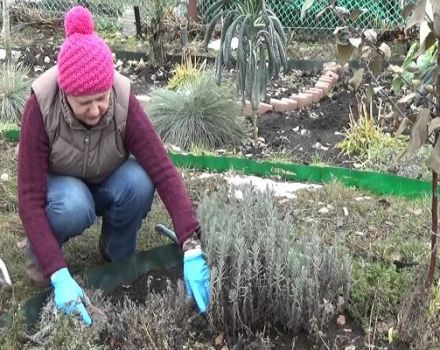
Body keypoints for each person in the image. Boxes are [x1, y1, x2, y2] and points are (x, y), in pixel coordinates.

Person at [17, 5, 210, 326]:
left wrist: (190, 243)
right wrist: (59, 274)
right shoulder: (41, 104)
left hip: (107, 178)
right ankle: (43, 258)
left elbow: (162, 168)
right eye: (84, 103)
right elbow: (28, 198)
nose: (95, 110)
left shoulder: (122, 97)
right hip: (64, 189)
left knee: (140, 179)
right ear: (66, 94)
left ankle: (115, 252)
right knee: (73, 204)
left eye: (101, 98)